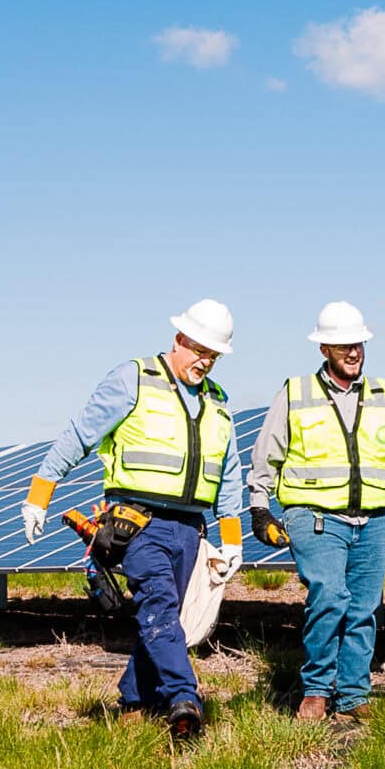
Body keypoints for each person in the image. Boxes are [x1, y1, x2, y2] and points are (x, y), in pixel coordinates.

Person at [23, 299, 243, 742]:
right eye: (200, 350)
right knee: (158, 607)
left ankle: (133, 703)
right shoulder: (134, 378)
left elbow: (230, 471)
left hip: (190, 529)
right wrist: (39, 494)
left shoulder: (217, 401)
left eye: (214, 356)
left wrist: (231, 538)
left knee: (163, 621)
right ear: (179, 338)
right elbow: (81, 434)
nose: (205, 362)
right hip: (136, 524)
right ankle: (183, 699)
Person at [245, 301, 385, 720]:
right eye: (342, 345)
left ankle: (353, 694)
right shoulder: (296, 394)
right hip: (314, 516)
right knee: (328, 598)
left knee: (365, 608)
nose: (353, 352)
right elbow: (267, 453)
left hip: (372, 519)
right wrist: (260, 507)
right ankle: (316, 690)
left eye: (358, 344)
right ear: (324, 350)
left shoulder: (382, 393)